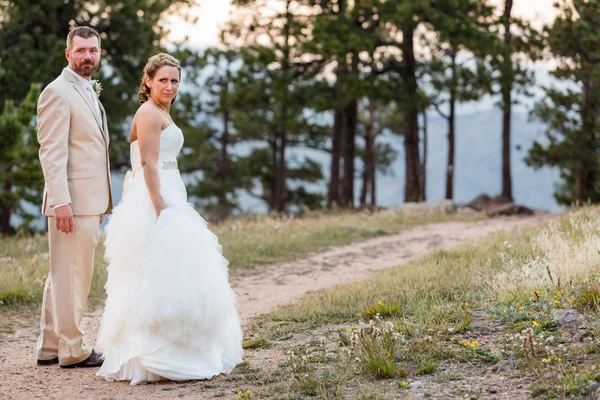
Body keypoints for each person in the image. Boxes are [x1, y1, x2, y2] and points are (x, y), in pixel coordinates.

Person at [95, 53, 243, 385]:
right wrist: (160, 206)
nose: (169, 86)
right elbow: (147, 164)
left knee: (173, 272)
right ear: (147, 81)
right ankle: (156, 354)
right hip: (154, 197)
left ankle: (184, 347)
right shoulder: (148, 113)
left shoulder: (162, 111)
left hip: (169, 190)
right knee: (157, 273)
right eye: (162, 79)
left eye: (174, 80)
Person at [36, 26, 113, 368]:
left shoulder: (85, 90)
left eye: (92, 50)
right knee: (74, 276)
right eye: (80, 50)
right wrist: (61, 201)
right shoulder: (57, 92)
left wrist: (98, 200)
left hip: (86, 199)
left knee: (62, 275)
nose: (87, 56)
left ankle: (51, 347)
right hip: (70, 201)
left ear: (99, 53)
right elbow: (51, 153)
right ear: (68, 54)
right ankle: (73, 348)